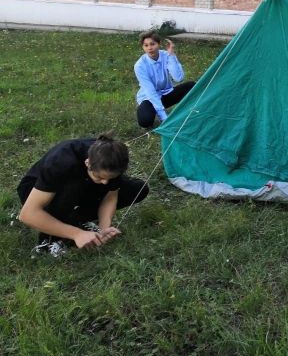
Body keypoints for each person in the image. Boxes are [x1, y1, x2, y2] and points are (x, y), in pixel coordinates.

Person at [17, 133, 148, 256]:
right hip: (36, 191)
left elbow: (110, 196)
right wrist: (76, 234)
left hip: (83, 186)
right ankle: (49, 239)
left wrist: (104, 228)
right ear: (88, 163)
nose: (105, 182)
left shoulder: (112, 160)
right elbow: (27, 214)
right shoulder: (61, 162)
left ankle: (76, 219)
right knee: (72, 188)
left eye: (110, 178)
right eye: (100, 177)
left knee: (138, 189)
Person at [135, 31, 195, 128]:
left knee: (192, 86)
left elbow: (178, 78)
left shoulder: (166, 55)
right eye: (146, 45)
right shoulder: (140, 65)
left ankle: (192, 112)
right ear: (143, 47)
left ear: (158, 44)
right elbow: (150, 91)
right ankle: (151, 109)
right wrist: (164, 118)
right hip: (149, 97)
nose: (149, 48)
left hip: (166, 93)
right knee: (145, 121)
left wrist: (171, 55)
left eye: (152, 44)